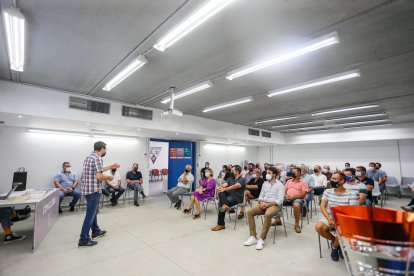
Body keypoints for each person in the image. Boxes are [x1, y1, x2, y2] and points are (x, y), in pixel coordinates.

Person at [79, 141, 119, 247]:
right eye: (105, 149)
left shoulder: (89, 157)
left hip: (87, 190)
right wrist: (109, 177)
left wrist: (111, 166)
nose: (105, 151)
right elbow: (99, 176)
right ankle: (83, 239)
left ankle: (96, 231)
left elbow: (99, 169)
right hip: (93, 190)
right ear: (102, 149)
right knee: (90, 215)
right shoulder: (97, 158)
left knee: (93, 212)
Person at [315, 172, 359, 261]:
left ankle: (335, 247)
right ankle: (336, 242)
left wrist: (338, 221)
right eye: (331, 178)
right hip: (330, 216)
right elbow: (322, 206)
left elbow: (351, 212)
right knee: (319, 227)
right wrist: (329, 219)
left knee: (341, 231)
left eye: (334, 179)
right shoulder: (328, 191)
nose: (331, 180)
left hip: (345, 218)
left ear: (342, 181)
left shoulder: (351, 194)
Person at [244, 166, 284, 250]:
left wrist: (268, 205)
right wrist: (261, 202)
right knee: (249, 212)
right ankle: (253, 237)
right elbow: (261, 196)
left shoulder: (280, 185)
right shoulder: (265, 183)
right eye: (267, 173)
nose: (267, 174)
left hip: (274, 205)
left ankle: (262, 239)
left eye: (269, 173)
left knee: (268, 214)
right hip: (263, 203)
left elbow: (279, 200)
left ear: (275, 174)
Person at [211, 165, 246, 231]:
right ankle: (225, 205)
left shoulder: (242, 179)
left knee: (221, 203)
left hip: (237, 198)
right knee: (221, 192)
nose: (231, 171)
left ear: (237, 171)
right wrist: (220, 187)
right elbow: (225, 185)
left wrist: (224, 189)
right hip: (229, 196)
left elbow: (235, 186)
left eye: (233, 170)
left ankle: (221, 225)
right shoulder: (230, 178)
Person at [283, 167, 308, 233]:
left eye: (294, 172)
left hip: (298, 199)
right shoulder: (289, 181)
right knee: (277, 202)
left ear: (299, 173)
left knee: (296, 205)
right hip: (287, 198)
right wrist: (286, 196)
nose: (292, 173)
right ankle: (278, 220)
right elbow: (284, 191)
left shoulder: (303, 182)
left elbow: (303, 195)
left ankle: (297, 224)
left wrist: (293, 197)